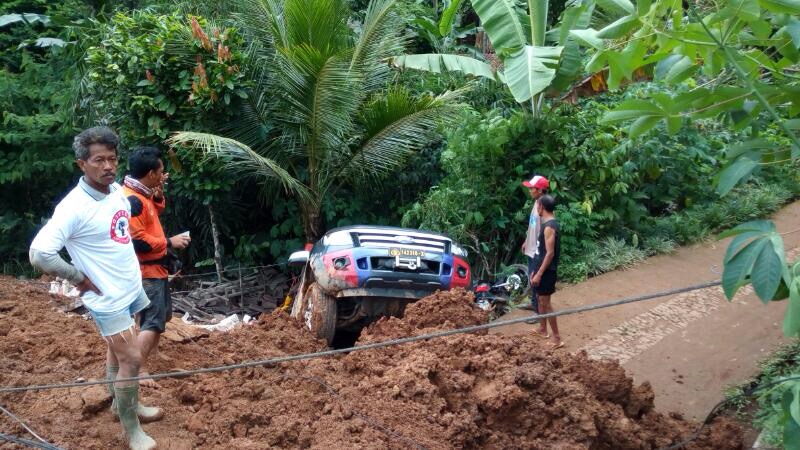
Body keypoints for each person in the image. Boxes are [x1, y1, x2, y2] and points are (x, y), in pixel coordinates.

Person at [29, 126, 160, 450]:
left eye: (112, 159)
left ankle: (122, 403)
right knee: (131, 359)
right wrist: (76, 278)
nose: (107, 166)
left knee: (118, 350)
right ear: (81, 164)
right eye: (98, 160)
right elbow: (39, 254)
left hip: (127, 286)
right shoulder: (73, 207)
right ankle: (131, 430)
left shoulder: (114, 189)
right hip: (106, 297)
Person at [123, 147, 190, 387]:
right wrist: (169, 242)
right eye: (161, 171)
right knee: (152, 321)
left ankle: (145, 362)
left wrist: (158, 193)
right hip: (147, 271)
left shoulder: (142, 194)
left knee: (158, 318)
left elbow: (153, 211)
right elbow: (136, 241)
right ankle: (137, 370)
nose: (164, 174)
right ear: (150, 173)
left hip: (156, 270)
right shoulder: (132, 200)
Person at [530, 194, 563, 349]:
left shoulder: (550, 226)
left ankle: (557, 338)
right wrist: (535, 270)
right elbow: (541, 251)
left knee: (546, 303)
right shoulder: (546, 224)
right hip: (541, 268)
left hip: (547, 271)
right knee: (539, 298)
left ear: (541, 207)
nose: (537, 208)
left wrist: (539, 273)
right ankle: (543, 330)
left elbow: (549, 254)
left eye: (538, 205)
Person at [520, 175, 549, 315]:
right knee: (532, 277)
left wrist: (540, 250)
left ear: (540, 190)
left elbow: (546, 231)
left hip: (537, 250)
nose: (530, 190)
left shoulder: (544, 207)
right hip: (531, 247)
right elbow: (533, 225)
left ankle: (539, 312)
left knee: (536, 280)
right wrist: (527, 240)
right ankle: (533, 304)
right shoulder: (536, 202)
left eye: (532, 188)